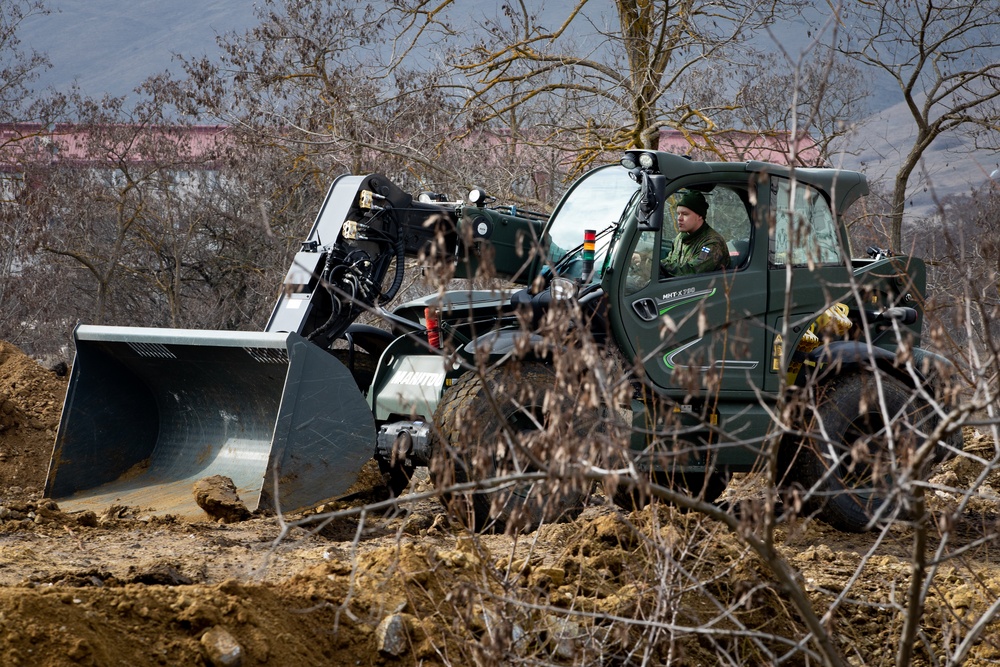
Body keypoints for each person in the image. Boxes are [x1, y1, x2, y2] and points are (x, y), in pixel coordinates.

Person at [660, 190, 731, 276]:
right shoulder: (681, 237)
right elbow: (669, 261)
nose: (679, 218)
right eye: (678, 213)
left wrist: (659, 265)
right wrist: (649, 262)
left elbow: (692, 271)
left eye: (685, 214)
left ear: (700, 216)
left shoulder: (711, 244)